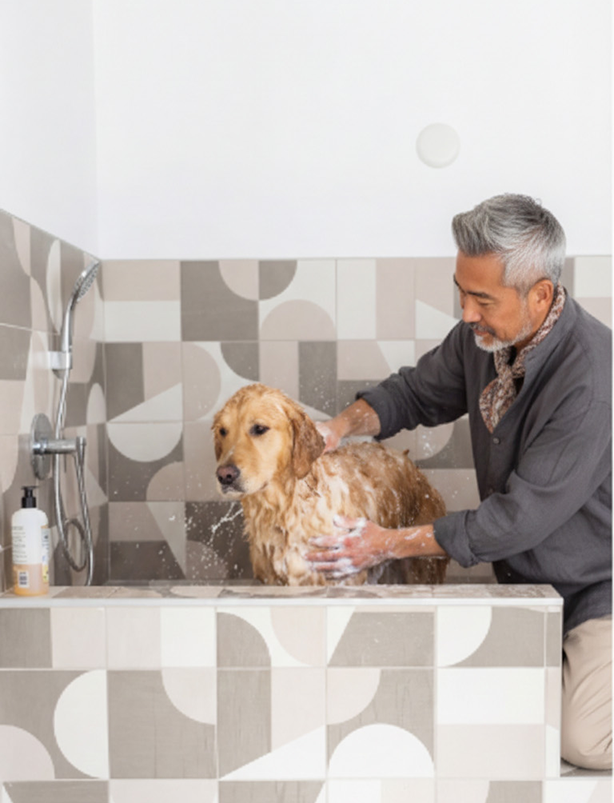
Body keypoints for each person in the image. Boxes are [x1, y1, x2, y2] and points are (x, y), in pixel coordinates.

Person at [307, 194, 612, 771]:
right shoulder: (486, 340)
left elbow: (517, 519)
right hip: (534, 590)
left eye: (482, 299)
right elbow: (414, 393)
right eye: (461, 293)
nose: (466, 313)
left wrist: (387, 542)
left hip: (599, 591)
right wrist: (337, 429)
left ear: (540, 294)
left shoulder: (592, 381)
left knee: (584, 740)